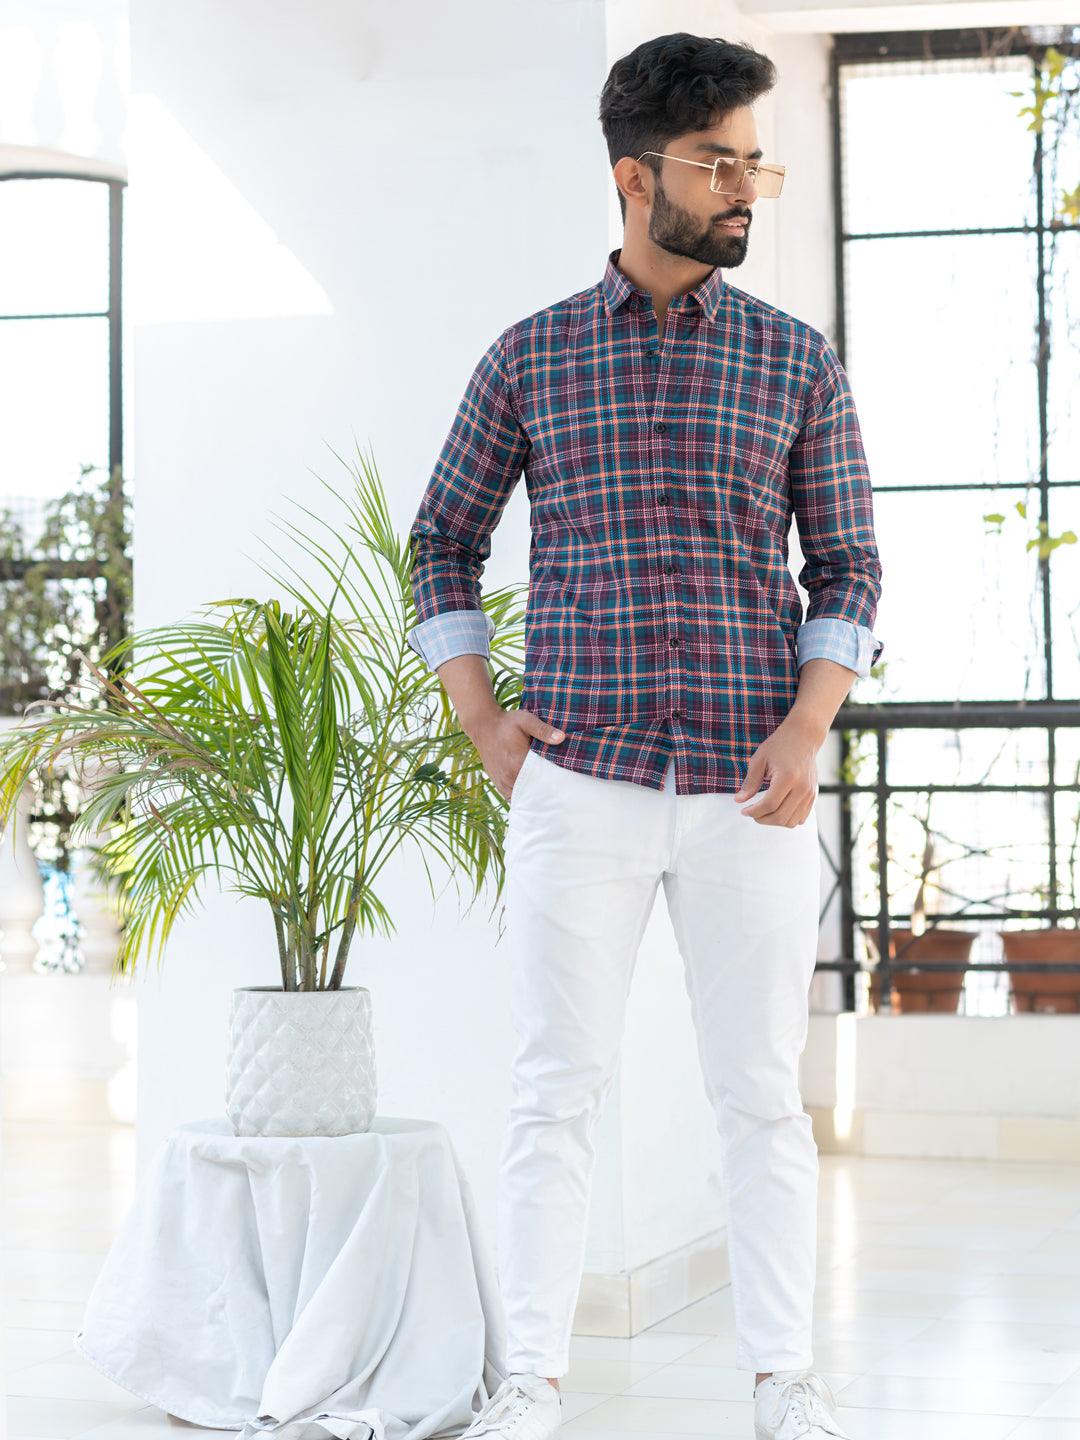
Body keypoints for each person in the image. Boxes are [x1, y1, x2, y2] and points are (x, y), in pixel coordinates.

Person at [406, 30, 881, 1440]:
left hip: (750, 788)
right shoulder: (532, 357)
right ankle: (530, 1382)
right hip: (584, 782)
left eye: (754, 164)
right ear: (635, 176)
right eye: (717, 164)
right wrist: (481, 713)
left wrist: (808, 723)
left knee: (761, 1098)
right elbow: (443, 540)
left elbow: (848, 566)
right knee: (553, 1094)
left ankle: (784, 1382)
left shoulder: (795, 360)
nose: (744, 190)